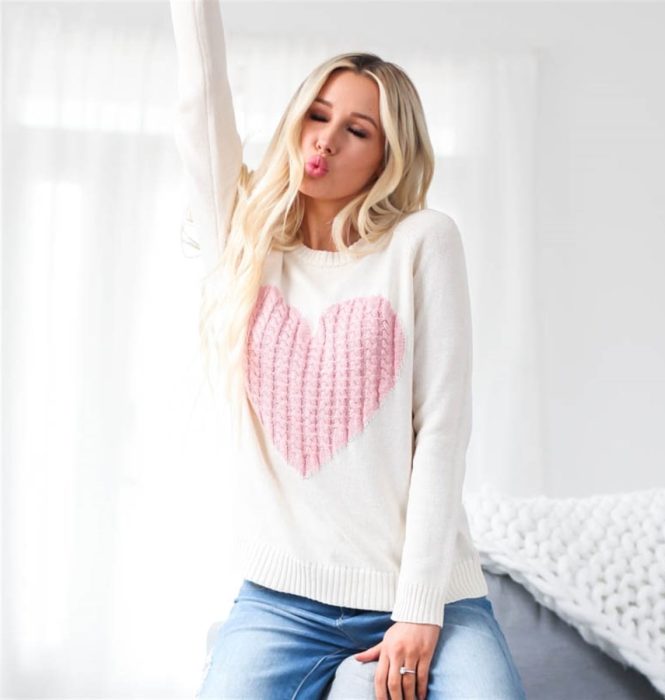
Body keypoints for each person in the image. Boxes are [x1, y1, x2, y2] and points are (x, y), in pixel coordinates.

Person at [169, 0, 527, 698]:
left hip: (430, 596)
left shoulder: (424, 242)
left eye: (357, 130)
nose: (326, 140)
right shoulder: (246, 244)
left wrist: (418, 611)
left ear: (388, 156)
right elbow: (202, 103)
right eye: (317, 115)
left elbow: (442, 433)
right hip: (282, 603)